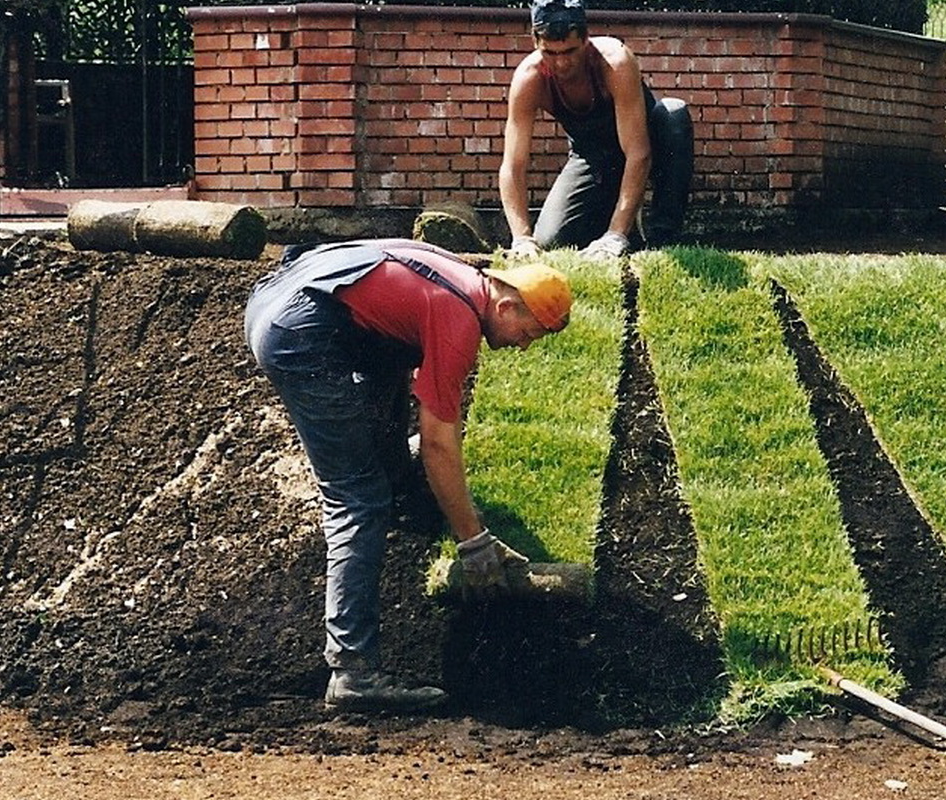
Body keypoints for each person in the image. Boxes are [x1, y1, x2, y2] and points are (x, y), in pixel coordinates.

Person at [244, 238, 572, 712]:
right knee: (356, 496)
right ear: (506, 303)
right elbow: (438, 442)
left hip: (283, 299)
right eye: (530, 332)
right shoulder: (458, 317)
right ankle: (353, 671)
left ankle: (405, 496)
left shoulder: (458, 274)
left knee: (390, 368)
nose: (524, 346)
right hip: (300, 332)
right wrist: (473, 541)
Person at [499, 0, 694, 261]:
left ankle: (661, 240)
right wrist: (522, 238)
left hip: (648, 142)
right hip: (593, 156)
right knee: (552, 242)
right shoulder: (529, 79)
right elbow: (512, 165)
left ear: (586, 40)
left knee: (673, 114)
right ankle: (617, 230)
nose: (561, 64)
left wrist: (616, 235)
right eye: (550, 53)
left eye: (569, 51)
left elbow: (638, 152)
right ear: (535, 42)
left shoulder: (615, 62)